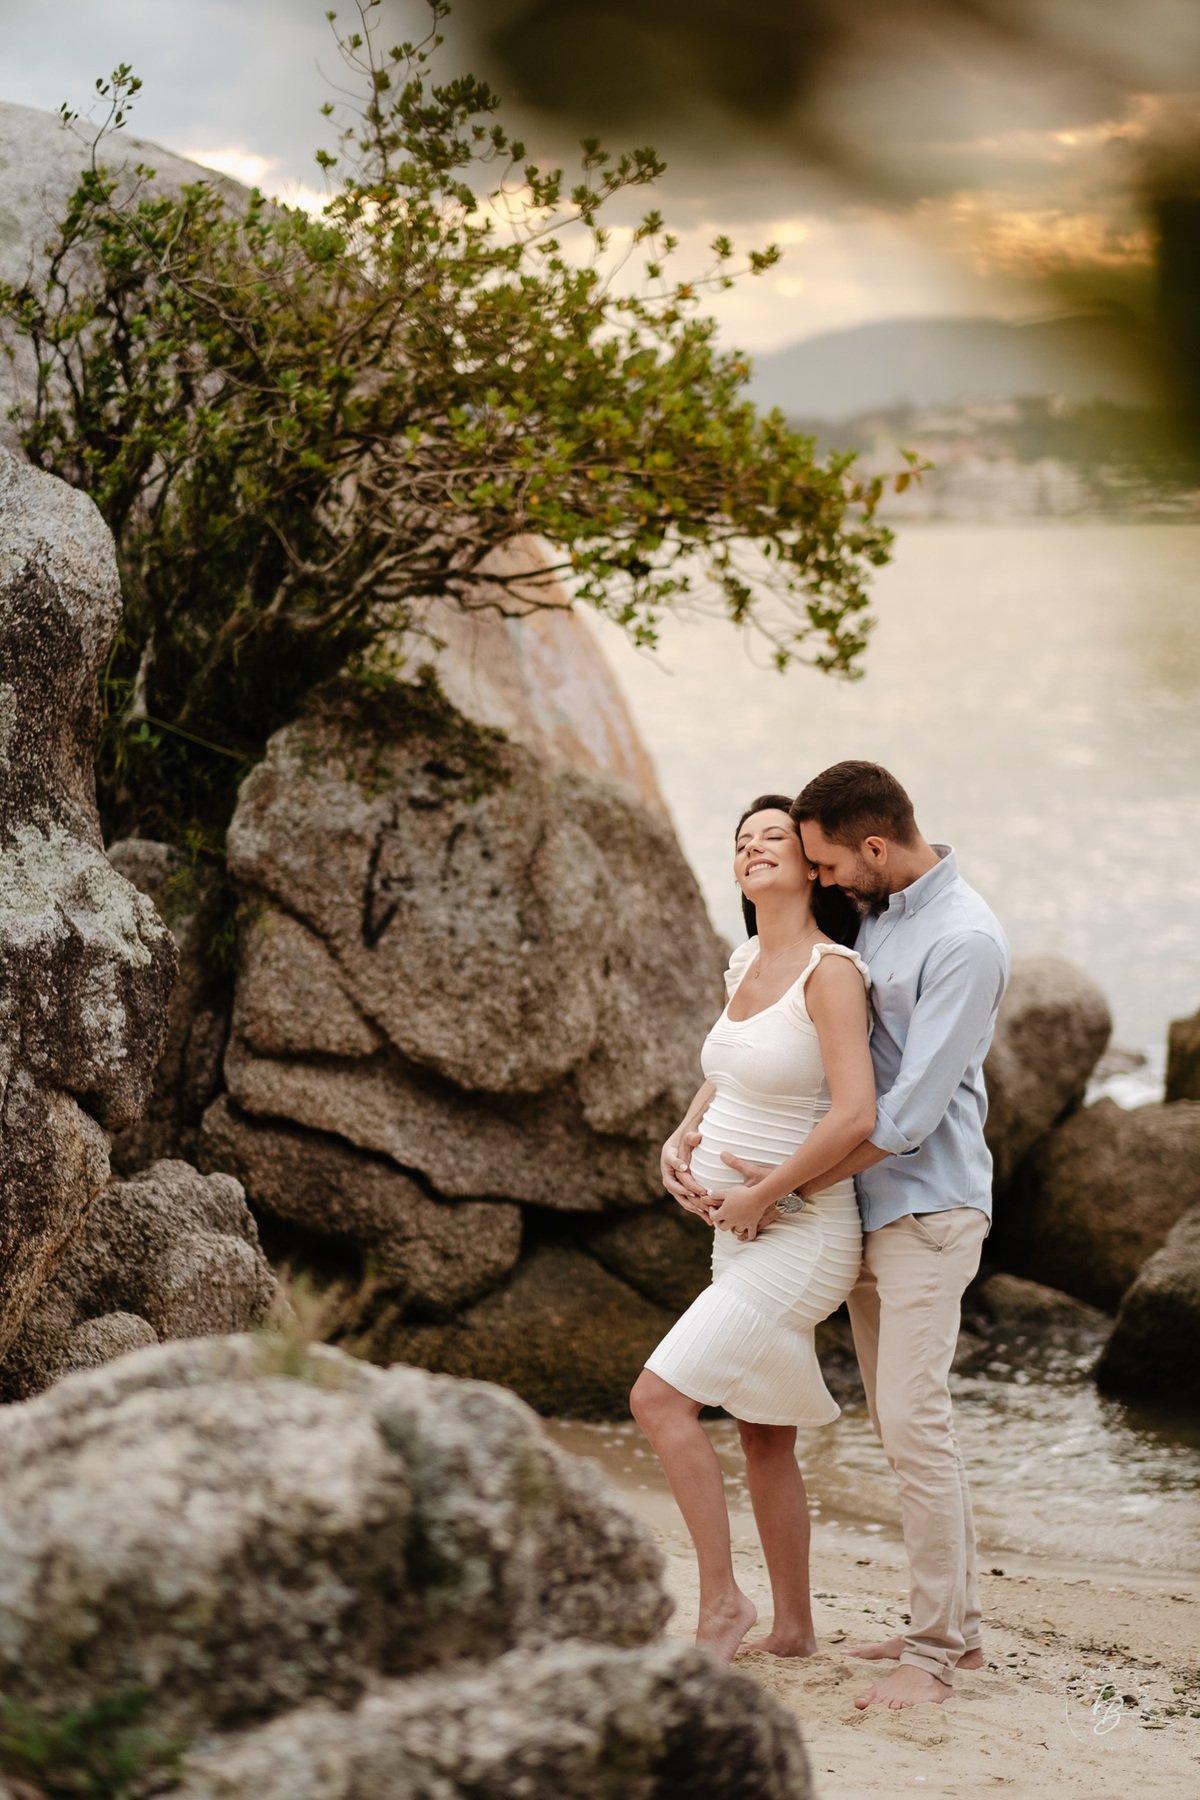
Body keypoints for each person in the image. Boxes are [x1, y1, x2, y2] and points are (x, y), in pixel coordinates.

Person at [719, 761, 1010, 1711]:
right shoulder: (883, 914)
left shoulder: (965, 939)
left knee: (917, 1429)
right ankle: (953, 1634)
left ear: (874, 848)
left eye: (832, 864)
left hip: (927, 1208)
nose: (828, 881)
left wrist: (778, 1189)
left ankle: (934, 1655)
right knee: (903, 1427)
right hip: (870, 1210)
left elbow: (910, 1112)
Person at [631, 795, 876, 1664]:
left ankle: (723, 1604)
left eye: (772, 836)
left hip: (801, 1231)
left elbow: (855, 1116)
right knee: (765, 1435)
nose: (752, 849)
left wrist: (763, 1192)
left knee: (658, 1400)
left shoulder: (831, 972)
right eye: (741, 841)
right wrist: (682, 1133)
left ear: (813, 865)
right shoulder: (745, 962)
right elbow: (730, 1069)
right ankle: (797, 1628)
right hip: (735, 1231)